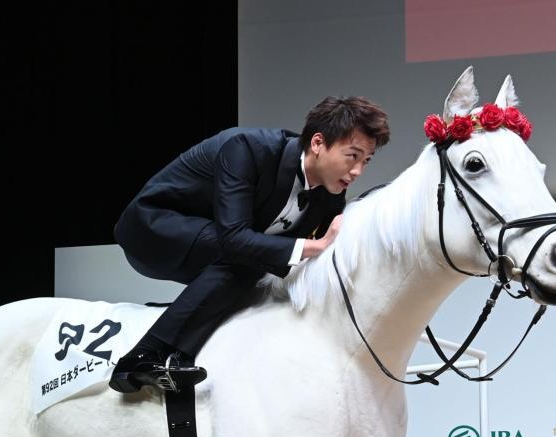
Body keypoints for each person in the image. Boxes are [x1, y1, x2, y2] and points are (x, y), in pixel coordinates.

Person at [110, 96, 390, 393]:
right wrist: (314, 247)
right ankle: (142, 358)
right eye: (353, 156)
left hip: (218, 250)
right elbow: (234, 240)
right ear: (318, 143)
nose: (358, 171)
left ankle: (186, 356)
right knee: (249, 259)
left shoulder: (331, 196)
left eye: (366, 161)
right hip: (152, 230)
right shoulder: (246, 148)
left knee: (259, 271)